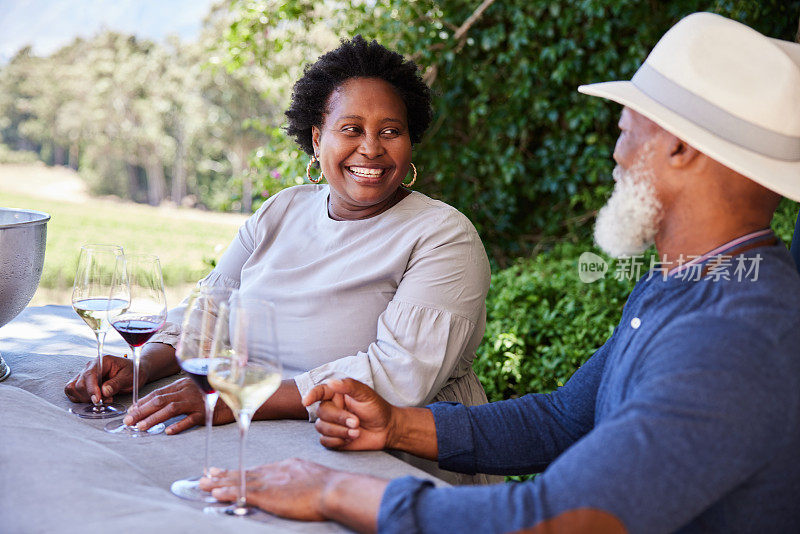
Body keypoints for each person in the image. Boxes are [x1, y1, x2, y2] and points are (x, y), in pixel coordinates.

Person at [198, 13, 800, 533]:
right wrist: (399, 425)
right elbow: (564, 418)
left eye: (625, 127)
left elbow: (560, 519)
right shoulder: (685, 285)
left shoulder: (739, 335)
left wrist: (331, 490)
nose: (616, 152)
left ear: (680, 149)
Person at [64, 37, 491, 447]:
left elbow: (398, 378)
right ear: (318, 139)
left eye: (391, 131)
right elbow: (208, 311)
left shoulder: (443, 238)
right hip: (259, 435)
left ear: (410, 142)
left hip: (390, 458)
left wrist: (233, 396)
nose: (371, 148)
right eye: (351, 128)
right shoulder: (281, 210)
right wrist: (138, 365)